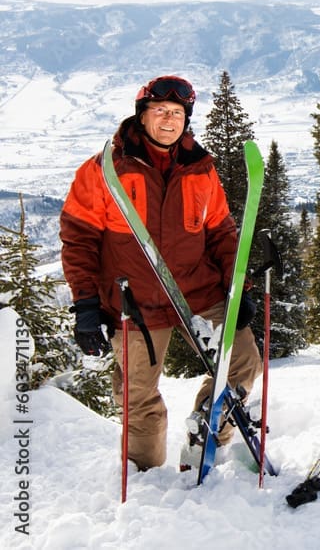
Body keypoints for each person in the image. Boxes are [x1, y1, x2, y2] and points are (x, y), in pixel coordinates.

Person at [60, 75, 261, 471]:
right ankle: (146, 478)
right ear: (142, 116)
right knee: (139, 398)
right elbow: (78, 239)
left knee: (241, 363)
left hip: (198, 292)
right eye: (160, 112)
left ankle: (205, 440)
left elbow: (220, 231)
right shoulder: (105, 169)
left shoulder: (200, 169)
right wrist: (85, 303)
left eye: (177, 113)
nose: (169, 121)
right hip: (135, 302)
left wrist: (239, 287)